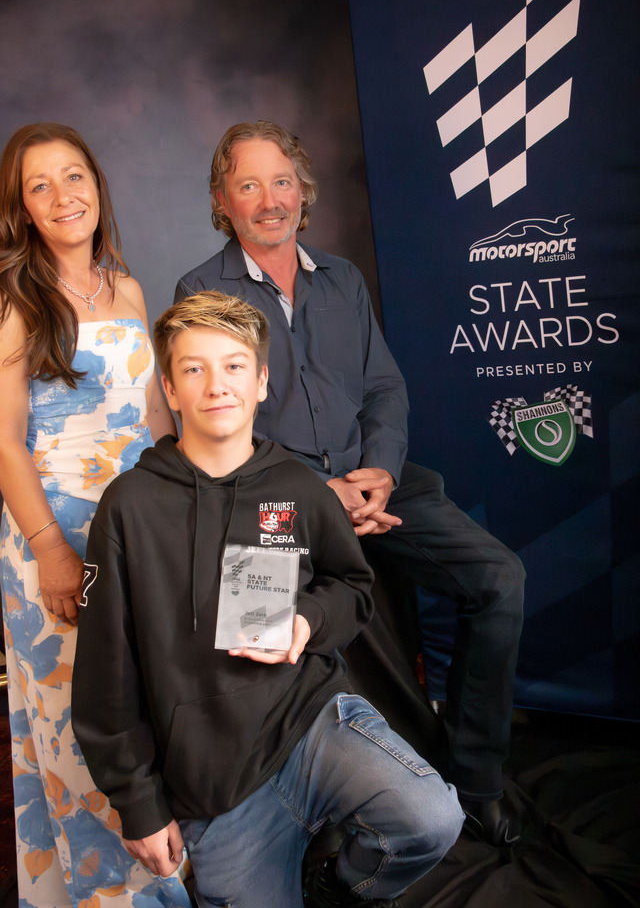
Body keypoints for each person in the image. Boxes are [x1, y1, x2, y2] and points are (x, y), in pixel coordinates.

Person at [175, 120, 527, 847]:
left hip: (375, 482)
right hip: (271, 501)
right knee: (253, 631)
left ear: (303, 193)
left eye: (282, 182)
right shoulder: (200, 289)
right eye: (249, 185)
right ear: (222, 201)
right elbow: (214, 427)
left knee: (500, 579)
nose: (270, 200)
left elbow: (385, 389)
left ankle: (474, 781)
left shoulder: (342, 279)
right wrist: (317, 492)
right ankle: (273, 821)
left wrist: (382, 473)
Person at [71, 291, 464, 908]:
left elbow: (352, 585)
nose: (216, 385)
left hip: (309, 723)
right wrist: (139, 804)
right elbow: (104, 674)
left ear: (260, 382)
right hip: (212, 781)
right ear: (169, 389)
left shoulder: (298, 487)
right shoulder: (128, 506)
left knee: (433, 817)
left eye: (234, 366)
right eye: (193, 369)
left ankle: (336, 887)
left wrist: (307, 620)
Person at [0, 123, 191, 907]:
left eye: (73, 176)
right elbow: (3, 441)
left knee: (143, 717)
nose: (62, 196)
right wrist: (50, 548)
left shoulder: (129, 289)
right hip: (56, 531)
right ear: (21, 208)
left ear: (97, 185)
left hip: (135, 531)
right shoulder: (14, 299)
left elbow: (157, 421)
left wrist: (189, 509)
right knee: (80, 731)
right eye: (39, 186)